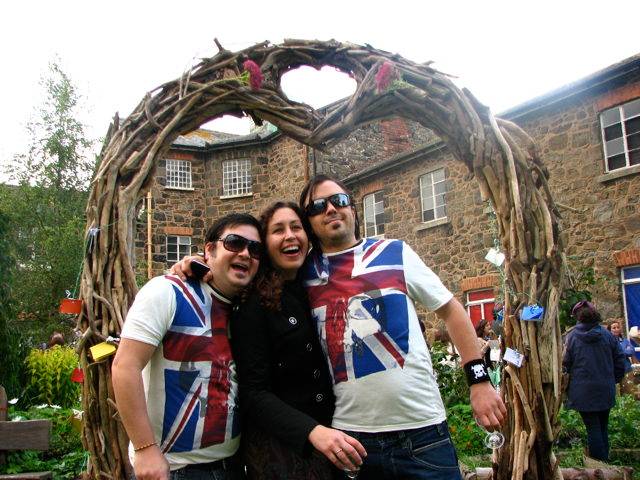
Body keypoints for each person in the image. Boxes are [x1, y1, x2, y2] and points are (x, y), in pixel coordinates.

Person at [298, 174, 506, 479]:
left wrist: (479, 381)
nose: (330, 209)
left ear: (352, 209)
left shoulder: (394, 253)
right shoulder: (302, 275)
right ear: (309, 222)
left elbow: (452, 311)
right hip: (351, 441)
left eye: (338, 200)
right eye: (317, 206)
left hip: (422, 435)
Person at [112, 213, 262, 480]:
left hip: (234, 466)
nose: (245, 253)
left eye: (255, 248)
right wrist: (145, 449)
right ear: (209, 250)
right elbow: (125, 365)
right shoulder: (168, 292)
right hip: (173, 469)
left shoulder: (248, 310)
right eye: (234, 243)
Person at [229, 202, 366, 479]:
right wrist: (311, 432)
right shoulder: (252, 303)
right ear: (265, 246)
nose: (290, 235)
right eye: (278, 230)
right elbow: (254, 393)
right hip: (283, 450)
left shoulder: (317, 286)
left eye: (296, 227)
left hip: (334, 436)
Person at [562, 300, 626, 461]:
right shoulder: (607, 335)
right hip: (605, 388)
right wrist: (613, 380)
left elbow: (566, 364)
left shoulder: (572, 337)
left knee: (593, 428)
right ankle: (605, 463)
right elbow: (620, 361)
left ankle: (600, 466)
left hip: (582, 391)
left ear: (577, 317)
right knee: (603, 426)